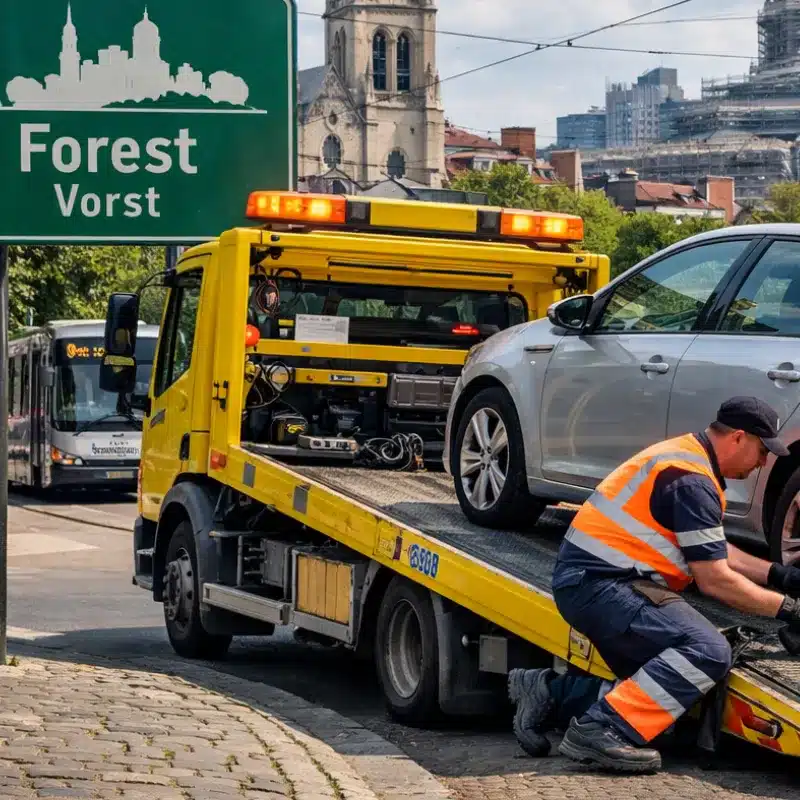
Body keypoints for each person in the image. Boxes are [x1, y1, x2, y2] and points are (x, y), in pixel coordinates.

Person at [508, 396, 800, 773]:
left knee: (664, 697)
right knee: (707, 651)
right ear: (738, 438)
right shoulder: (691, 479)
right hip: (603, 586)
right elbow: (715, 580)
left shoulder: (688, 458)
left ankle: (549, 692)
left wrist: (781, 576)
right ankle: (601, 728)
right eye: (762, 451)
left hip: (597, 582)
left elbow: (714, 550)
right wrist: (788, 610)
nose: (763, 463)